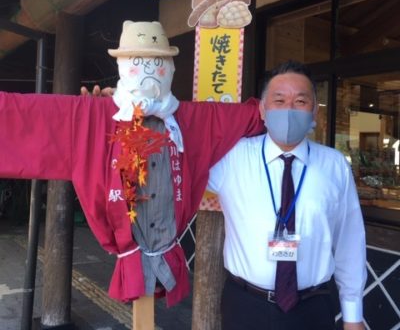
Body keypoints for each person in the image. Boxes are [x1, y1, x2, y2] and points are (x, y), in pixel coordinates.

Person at [0, 20, 264, 307]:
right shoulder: (90, 116)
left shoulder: (191, 120)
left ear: (171, 68)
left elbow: (249, 117)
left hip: (166, 243)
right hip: (127, 248)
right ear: (122, 69)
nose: (149, 71)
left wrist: (280, 108)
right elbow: (20, 117)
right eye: (138, 63)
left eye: (158, 63)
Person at [207, 61, 367, 330]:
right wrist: (124, 106)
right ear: (262, 108)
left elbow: (349, 241)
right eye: (279, 100)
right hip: (245, 306)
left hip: (313, 308)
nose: (290, 110)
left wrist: (353, 314)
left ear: (315, 110)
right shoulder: (231, 157)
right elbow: (180, 153)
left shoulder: (334, 164)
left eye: (300, 101)